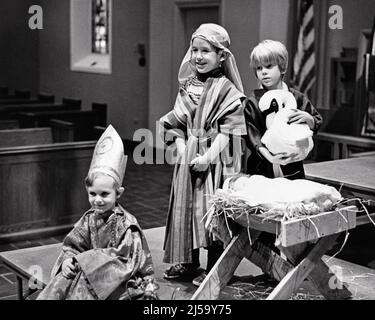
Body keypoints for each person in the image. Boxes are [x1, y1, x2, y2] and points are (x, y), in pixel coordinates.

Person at [159, 23, 247, 287]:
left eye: (205, 51)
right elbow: (176, 123)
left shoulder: (226, 89)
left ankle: (215, 265)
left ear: (221, 55)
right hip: (189, 157)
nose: (198, 56)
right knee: (186, 210)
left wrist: (208, 157)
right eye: (194, 49)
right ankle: (188, 261)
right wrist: (184, 150)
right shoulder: (186, 86)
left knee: (211, 213)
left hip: (216, 159)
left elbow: (229, 130)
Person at [37, 125, 156, 300]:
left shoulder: (126, 224)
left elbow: (125, 262)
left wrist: (87, 262)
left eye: (105, 194)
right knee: (63, 280)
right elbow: (73, 245)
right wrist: (69, 260)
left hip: (118, 280)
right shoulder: (89, 218)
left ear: (119, 193)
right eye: (93, 194)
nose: (97, 200)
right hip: (89, 272)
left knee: (84, 286)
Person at [244, 39, 323, 180]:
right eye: (259, 68)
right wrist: (271, 158)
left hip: (293, 164)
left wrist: (309, 119)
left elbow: (316, 120)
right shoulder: (253, 101)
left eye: (269, 66)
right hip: (262, 166)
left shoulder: (297, 97)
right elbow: (253, 136)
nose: (264, 72)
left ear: (282, 68)